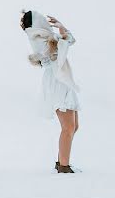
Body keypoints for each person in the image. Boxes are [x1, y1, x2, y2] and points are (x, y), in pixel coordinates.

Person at [20, 10, 80, 173]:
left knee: (73, 126)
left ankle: (62, 162)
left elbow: (69, 41)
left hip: (61, 79)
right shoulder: (37, 36)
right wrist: (61, 31)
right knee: (68, 127)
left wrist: (61, 28)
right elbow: (63, 45)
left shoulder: (44, 34)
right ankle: (63, 166)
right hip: (57, 80)